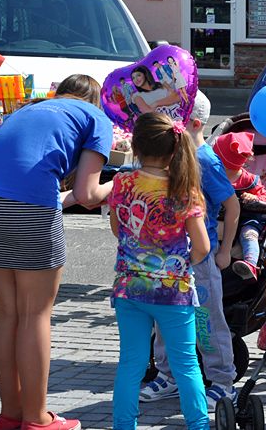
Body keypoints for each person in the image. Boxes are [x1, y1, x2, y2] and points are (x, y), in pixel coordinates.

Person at [0, 74, 113, 430]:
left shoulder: (30, 110)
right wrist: (121, 182)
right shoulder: (97, 118)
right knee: (35, 314)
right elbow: (89, 194)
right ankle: (37, 419)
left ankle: (11, 414)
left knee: (8, 311)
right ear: (94, 99)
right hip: (29, 202)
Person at [107, 112, 211, 430]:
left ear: (135, 148)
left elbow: (117, 229)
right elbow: (203, 247)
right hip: (172, 291)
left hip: (129, 287)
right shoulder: (183, 190)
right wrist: (178, 266)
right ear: (172, 150)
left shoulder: (122, 181)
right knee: (186, 365)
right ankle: (198, 425)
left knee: (131, 364)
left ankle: (123, 426)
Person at [140, 91, 242, 411]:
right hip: (166, 255)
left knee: (205, 321)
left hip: (198, 257)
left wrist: (225, 249)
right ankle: (168, 375)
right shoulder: (167, 157)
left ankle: (223, 382)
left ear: (192, 124)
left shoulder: (206, 160)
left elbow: (231, 203)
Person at [212, 131, 266, 282]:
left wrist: (254, 197)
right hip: (219, 217)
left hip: (246, 218)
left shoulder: (249, 179)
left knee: (249, 234)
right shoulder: (213, 174)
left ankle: (250, 263)